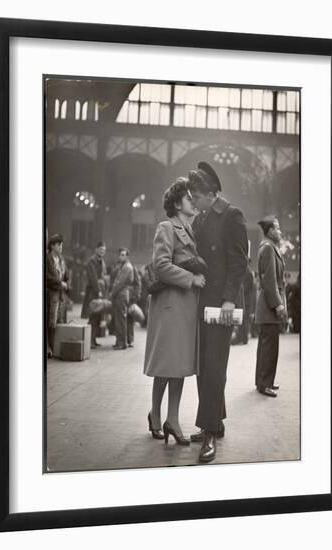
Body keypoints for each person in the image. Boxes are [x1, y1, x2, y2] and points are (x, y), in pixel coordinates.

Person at [188, 161, 248, 463]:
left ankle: (209, 432)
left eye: (195, 197)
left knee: (214, 367)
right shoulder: (202, 218)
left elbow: (239, 264)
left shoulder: (232, 216)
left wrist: (229, 300)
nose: (193, 202)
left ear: (208, 194)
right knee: (204, 366)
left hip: (220, 305)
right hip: (202, 303)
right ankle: (216, 421)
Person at [144, 178, 206, 445]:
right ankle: (158, 416)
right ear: (177, 203)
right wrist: (190, 278)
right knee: (167, 365)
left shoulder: (190, 231)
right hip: (170, 306)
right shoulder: (166, 227)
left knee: (178, 366)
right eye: (189, 198)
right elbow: (160, 265)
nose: (193, 201)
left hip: (185, 308)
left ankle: (170, 418)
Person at [255, 216, 286, 397]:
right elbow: (270, 281)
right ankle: (264, 384)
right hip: (269, 307)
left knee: (265, 346)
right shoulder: (268, 248)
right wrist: (278, 305)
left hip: (267, 306)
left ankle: (263, 381)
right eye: (278, 228)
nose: (280, 232)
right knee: (269, 348)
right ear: (271, 231)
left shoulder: (269, 247)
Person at [81, 242, 107, 349]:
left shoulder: (102, 262)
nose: (102, 252)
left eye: (104, 250)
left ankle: (94, 339)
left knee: (97, 315)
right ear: (96, 249)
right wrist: (98, 290)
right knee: (93, 315)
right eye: (100, 249)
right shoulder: (91, 261)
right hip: (93, 291)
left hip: (100, 291)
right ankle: (90, 340)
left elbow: (103, 276)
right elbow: (93, 278)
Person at [46, 234, 69, 358]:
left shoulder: (61, 259)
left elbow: (67, 275)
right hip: (52, 293)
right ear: (52, 246)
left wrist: (67, 284)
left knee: (59, 319)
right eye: (59, 245)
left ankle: (55, 347)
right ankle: (49, 347)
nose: (61, 247)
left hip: (61, 294)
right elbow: (47, 277)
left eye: (61, 245)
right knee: (51, 321)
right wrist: (60, 282)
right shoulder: (47, 258)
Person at [110, 248, 134, 350]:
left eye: (123, 255)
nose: (121, 257)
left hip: (121, 295)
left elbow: (120, 283)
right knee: (118, 319)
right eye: (120, 255)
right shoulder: (123, 266)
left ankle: (122, 343)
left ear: (127, 256)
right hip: (120, 295)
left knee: (121, 320)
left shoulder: (127, 267)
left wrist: (112, 293)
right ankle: (119, 341)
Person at [127, 266, 142, 347]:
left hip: (130, 298)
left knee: (130, 319)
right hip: (123, 297)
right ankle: (125, 339)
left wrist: (136, 295)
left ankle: (130, 339)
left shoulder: (133, 268)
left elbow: (138, 283)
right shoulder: (119, 267)